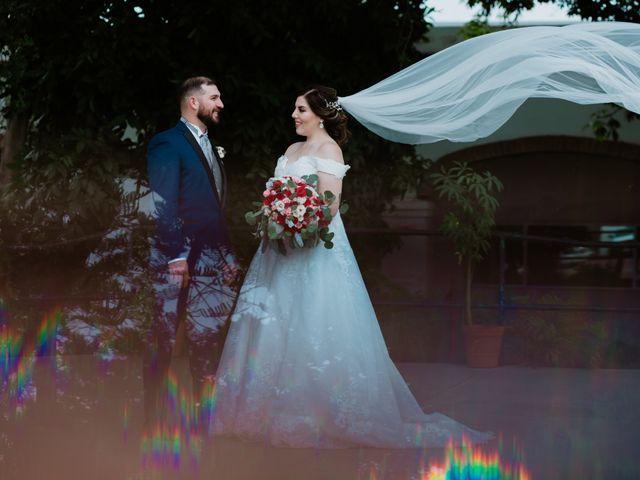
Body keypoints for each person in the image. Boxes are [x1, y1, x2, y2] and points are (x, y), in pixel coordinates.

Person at [211, 85, 491, 448]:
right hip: (278, 251)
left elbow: (329, 205)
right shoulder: (291, 150)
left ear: (321, 114)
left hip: (314, 250)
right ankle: (258, 408)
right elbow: (278, 191)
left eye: (301, 110)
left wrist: (296, 220)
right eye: (294, 109)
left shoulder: (330, 149)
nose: (294, 116)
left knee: (314, 318)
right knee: (272, 320)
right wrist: (274, 215)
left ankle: (314, 411)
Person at [144, 76, 240, 425]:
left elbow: (215, 208)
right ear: (193, 103)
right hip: (176, 257)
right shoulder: (167, 143)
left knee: (205, 336)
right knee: (164, 336)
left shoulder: (211, 146)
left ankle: (203, 417)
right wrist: (175, 255)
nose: (221, 104)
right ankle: (150, 418)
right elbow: (164, 201)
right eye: (215, 97)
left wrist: (226, 254)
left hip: (210, 260)